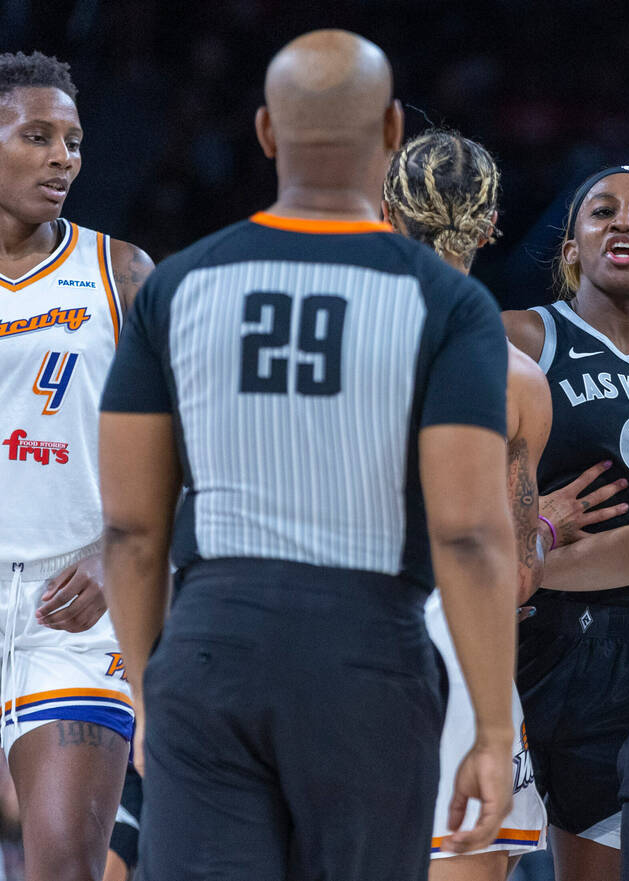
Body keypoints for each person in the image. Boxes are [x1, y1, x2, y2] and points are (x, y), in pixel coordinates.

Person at [97, 30, 517, 881]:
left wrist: (149, 691)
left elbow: (131, 529)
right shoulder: (447, 303)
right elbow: (470, 531)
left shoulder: (177, 287)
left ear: (263, 132)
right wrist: (492, 726)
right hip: (367, 654)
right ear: (394, 130)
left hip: (211, 644)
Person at [503, 164, 629, 881]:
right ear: (572, 245)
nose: (624, 222)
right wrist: (527, 524)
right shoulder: (518, 335)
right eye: (602, 211)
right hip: (515, 640)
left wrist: (526, 560)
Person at [0, 50, 154, 881]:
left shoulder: (120, 271)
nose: (64, 157)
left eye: (74, 139)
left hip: (73, 605)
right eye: (37, 135)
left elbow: (185, 452)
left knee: (61, 865)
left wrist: (115, 551)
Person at [383, 128, 552, 880]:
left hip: (329, 627)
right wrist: (547, 527)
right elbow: (518, 577)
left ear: (385, 214)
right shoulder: (515, 376)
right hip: (457, 638)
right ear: (489, 228)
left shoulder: (324, 343)